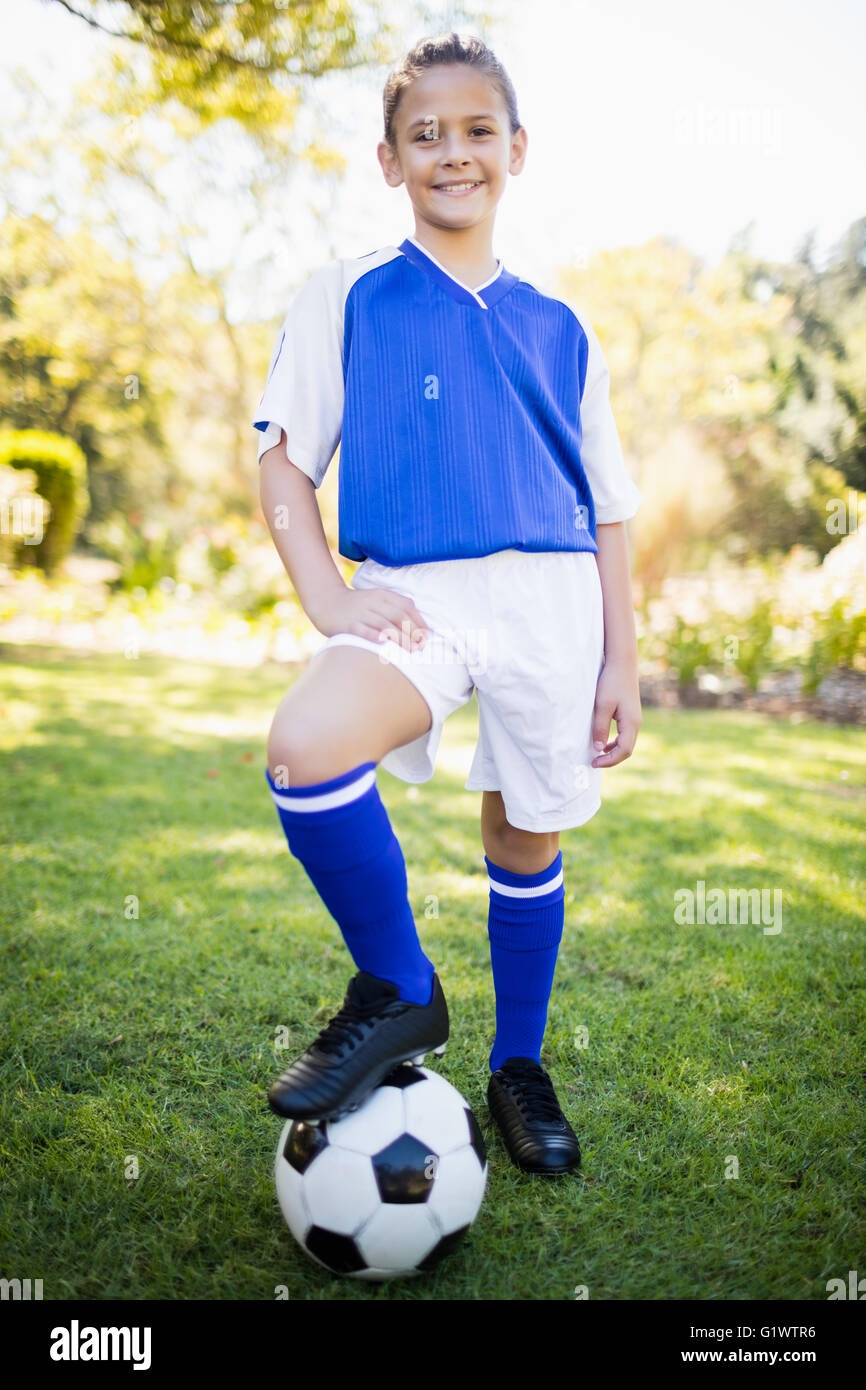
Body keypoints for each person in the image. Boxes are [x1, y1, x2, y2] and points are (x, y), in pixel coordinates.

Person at [252, 32, 642, 1175]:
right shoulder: (348, 298)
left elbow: (608, 507)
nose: (451, 153)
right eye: (425, 135)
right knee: (304, 749)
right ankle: (398, 986)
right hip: (409, 593)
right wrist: (327, 595)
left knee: (523, 832)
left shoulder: (561, 327)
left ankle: (517, 1065)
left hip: (551, 599)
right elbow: (282, 463)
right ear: (389, 161)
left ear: (515, 150)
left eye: (475, 131)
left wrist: (621, 660)